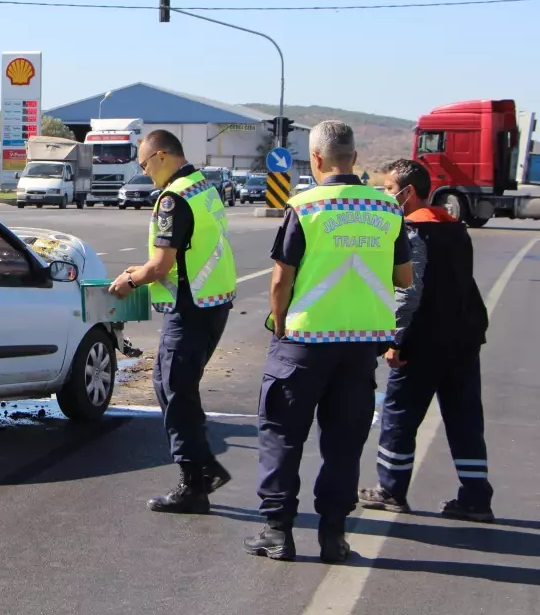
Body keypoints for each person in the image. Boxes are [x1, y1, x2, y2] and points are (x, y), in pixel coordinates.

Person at [245, 121, 412, 564]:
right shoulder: (388, 209)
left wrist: (279, 325)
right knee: (343, 443)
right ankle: (334, 537)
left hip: (303, 342)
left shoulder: (304, 206)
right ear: (354, 160)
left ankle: (277, 531)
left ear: (315, 159)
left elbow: (282, 278)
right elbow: (404, 278)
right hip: (360, 347)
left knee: (282, 435)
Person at [109, 130, 237, 514]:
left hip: (191, 307)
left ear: (162, 156)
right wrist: (145, 268)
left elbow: (164, 264)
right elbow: (191, 252)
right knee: (177, 388)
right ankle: (202, 471)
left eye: (145, 164)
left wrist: (131, 280)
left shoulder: (173, 198)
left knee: (172, 390)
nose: (145, 172)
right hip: (213, 301)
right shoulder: (203, 187)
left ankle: (194, 481)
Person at [358, 159, 493, 522]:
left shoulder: (412, 231)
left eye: (389, 188)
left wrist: (395, 340)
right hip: (463, 339)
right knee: (465, 418)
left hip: (423, 343)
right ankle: (476, 497)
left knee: (399, 415)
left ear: (408, 192)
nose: (386, 195)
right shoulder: (455, 228)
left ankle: (391, 489)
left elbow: (408, 293)